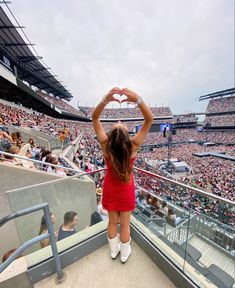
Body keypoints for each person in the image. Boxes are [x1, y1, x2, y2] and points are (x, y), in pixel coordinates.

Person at [92, 87, 153, 263]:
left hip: (110, 188)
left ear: (110, 135)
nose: (119, 120)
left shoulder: (105, 145)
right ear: (127, 136)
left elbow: (95, 118)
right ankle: (124, 253)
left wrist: (105, 99)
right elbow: (149, 119)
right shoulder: (133, 146)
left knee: (112, 222)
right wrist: (137, 99)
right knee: (125, 224)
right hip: (126, 189)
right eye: (121, 123)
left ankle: (114, 250)